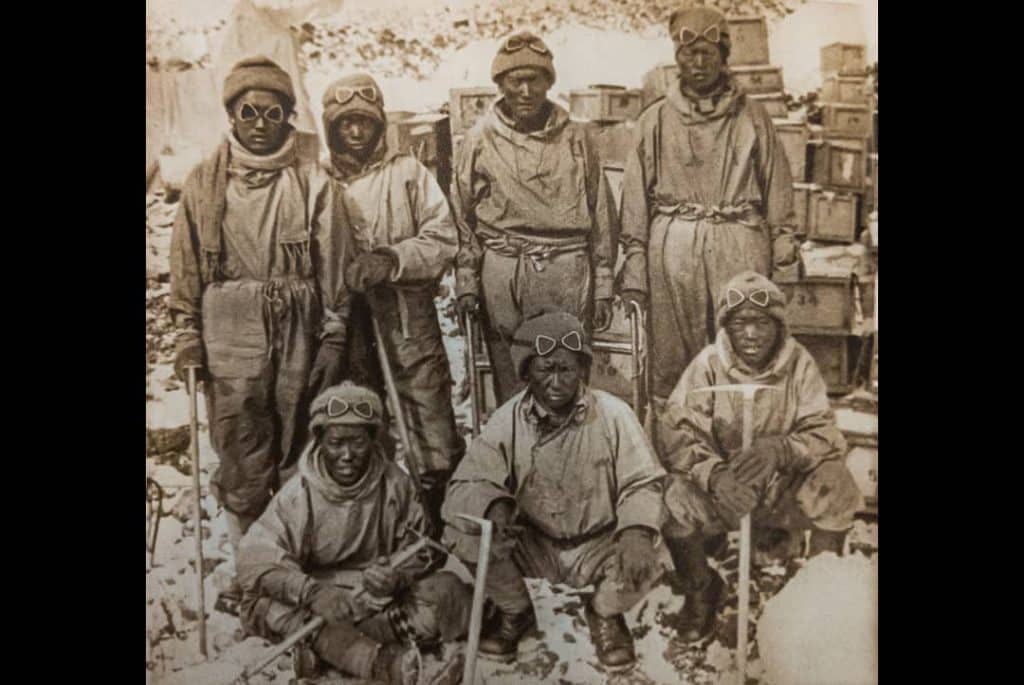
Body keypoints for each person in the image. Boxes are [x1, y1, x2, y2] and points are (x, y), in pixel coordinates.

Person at [169, 56, 349, 609]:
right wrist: (187, 334)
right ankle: (251, 563)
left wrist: (334, 331)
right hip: (230, 322)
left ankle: (294, 559)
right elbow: (187, 263)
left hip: (298, 315)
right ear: (232, 115)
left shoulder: (314, 180)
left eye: (274, 111)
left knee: (299, 433)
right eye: (248, 110)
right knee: (241, 438)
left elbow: (333, 262)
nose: (260, 122)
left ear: (290, 117)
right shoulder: (204, 181)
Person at [441, 309, 666, 669]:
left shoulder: (613, 414)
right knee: (465, 533)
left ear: (583, 370)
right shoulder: (507, 419)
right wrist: (493, 506)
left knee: (650, 555)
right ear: (526, 372)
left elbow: (643, 482)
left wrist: (637, 532)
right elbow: (467, 484)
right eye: (545, 369)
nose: (557, 382)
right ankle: (516, 611)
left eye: (567, 369)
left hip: (598, 543)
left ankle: (604, 612)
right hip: (535, 544)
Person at [657, 271, 864, 643]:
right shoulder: (706, 365)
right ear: (727, 325)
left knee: (837, 484)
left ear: (779, 325)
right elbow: (677, 433)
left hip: (781, 491)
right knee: (673, 498)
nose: (751, 334)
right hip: (727, 494)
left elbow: (827, 436)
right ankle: (701, 591)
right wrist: (715, 475)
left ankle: (816, 597)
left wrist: (783, 449)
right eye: (741, 323)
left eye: (761, 323)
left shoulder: (798, 364)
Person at [618, 6, 801, 421]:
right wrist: (633, 265)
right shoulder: (655, 121)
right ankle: (677, 458)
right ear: (676, 56)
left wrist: (783, 258)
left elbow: (779, 193)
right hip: (673, 255)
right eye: (689, 53)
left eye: (708, 53)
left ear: (724, 55)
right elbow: (633, 200)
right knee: (672, 360)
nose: (698, 63)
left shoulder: (754, 118)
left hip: (738, 246)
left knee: (741, 348)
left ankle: (739, 458)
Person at [236, 382, 472, 684]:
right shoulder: (298, 495)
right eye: (336, 443)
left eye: (357, 442)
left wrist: (396, 576)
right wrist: (312, 592)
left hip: (372, 597)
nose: (347, 455)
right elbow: (254, 560)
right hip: (316, 600)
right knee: (265, 603)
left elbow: (421, 546)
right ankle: (382, 664)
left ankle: (328, 649)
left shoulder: (394, 484)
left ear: (373, 439)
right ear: (320, 439)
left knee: (449, 591)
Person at [319, 73, 464, 531]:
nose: (356, 133)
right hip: (345, 318)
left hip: (405, 315)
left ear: (379, 125)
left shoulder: (407, 174)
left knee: (427, 415)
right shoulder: (317, 183)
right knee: (358, 412)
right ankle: (372, 521)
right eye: (346, 125)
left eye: (364, 122)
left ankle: (439, 516)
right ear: (332, 130)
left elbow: (444, 238)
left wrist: (392, 259)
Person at [452, 31, 619, 405]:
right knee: (512, 379)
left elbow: (601, 212)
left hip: (566, 271)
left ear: (549, 83)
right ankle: (519, 456)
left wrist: (604, 282)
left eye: (535, 80)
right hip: (504, 268)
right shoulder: (479, 139)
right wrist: (466, 280)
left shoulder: (578, 137)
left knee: (565, 375)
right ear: (501, 85)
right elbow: (461, 215)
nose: (525, 91)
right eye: (516, 81)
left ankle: (570, 457)